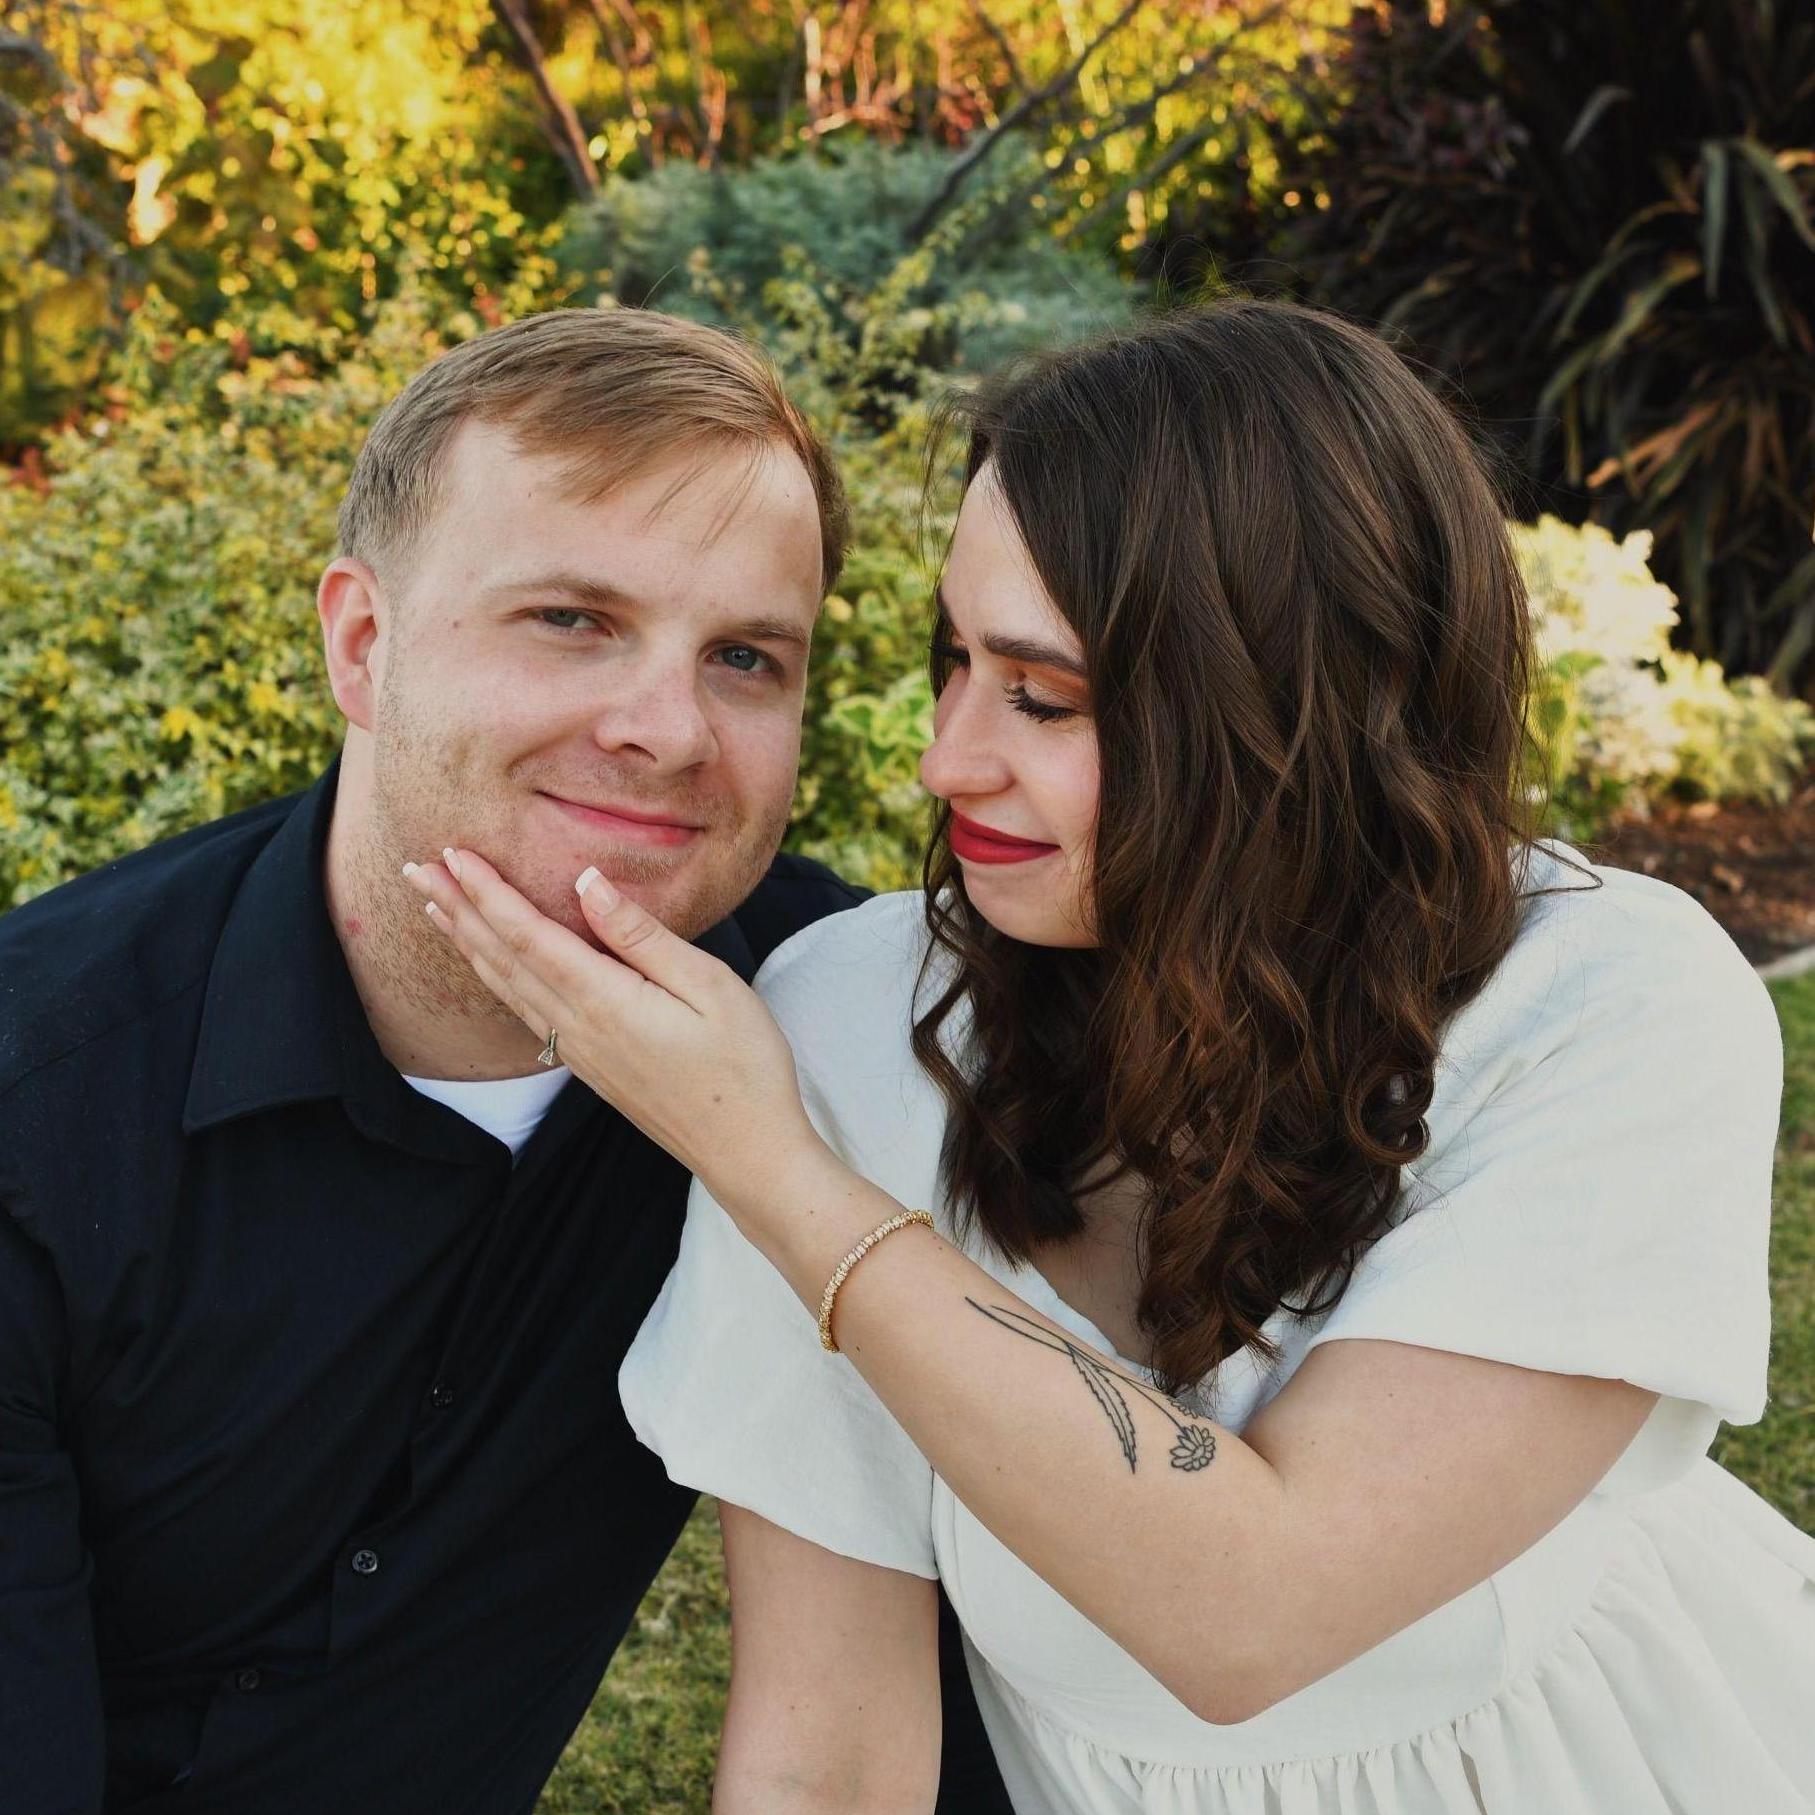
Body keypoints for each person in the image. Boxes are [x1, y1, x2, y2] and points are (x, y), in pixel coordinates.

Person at [405, 297, 1815, 1814]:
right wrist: (779, 1137)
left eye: (1046, 697)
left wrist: (773, 1170)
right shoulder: (849, 1025)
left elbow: (1254, 1611)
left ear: (1296, 708)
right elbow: (828, 1753)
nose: (947, 758)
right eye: (954, 661)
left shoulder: (1603, 1007)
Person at [0, 308, 1013, 1813]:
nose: (668, 731)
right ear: (362, 644)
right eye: (572, 620)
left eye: (745, 657)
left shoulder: (845, 1042)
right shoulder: (40, 1103)